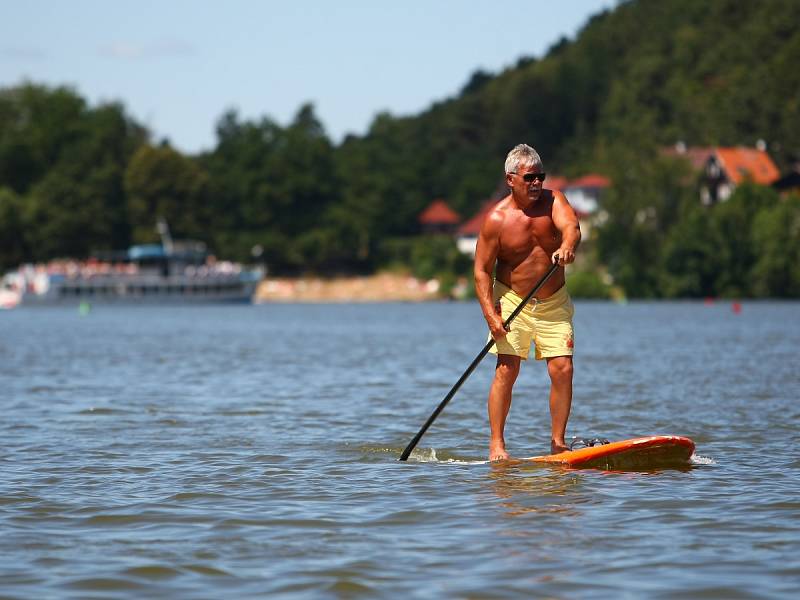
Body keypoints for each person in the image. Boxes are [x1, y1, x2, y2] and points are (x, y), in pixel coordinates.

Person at [474, 144, 581, 461]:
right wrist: (490, 317)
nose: (537, 183)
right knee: (507, 369)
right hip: (511, 300)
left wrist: (567, 246)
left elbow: (571, 228)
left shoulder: (554, 201)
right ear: (511, 179)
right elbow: (480, 271)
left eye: (541, 176)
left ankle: (558, 444)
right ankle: (497, 445)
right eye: (529, 177)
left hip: (553, 302)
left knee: (563, 368)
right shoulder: (497, 219)